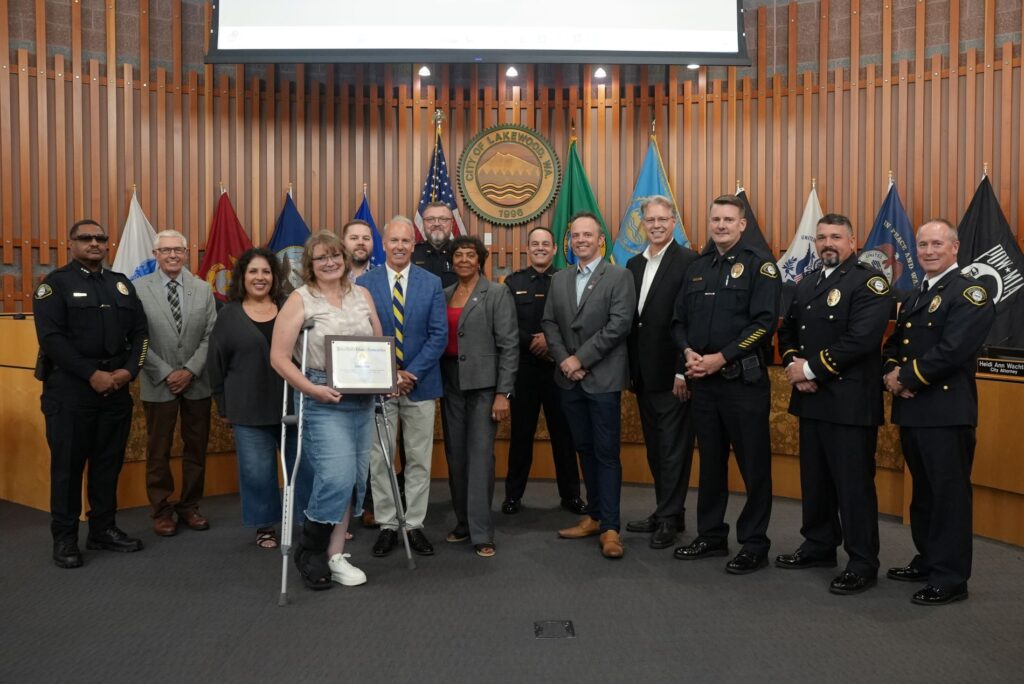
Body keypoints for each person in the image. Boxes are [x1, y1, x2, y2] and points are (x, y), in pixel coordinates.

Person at [774, 214, 892, 595]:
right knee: (816, 480)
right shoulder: (807, 283)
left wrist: (810, 370)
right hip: (812, 401)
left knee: (853, 487)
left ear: (852, 241)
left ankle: (862, 562)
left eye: (836, 237)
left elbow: (862, 339)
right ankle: (819, 544)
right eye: (822, 237)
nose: (828, 243)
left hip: (849, 404)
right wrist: (795, 363)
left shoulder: (869, 283)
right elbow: (789, 330)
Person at [882, 219, 995, 606]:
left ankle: (950, 577)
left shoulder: (970, 292)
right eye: (923, 244)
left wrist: (907, 378)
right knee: (925, 493)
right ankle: (928, 558)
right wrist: (890, 372)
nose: (928, 251)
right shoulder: (915, 294)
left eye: (936, 244)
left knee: (949, 495)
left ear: (954, 248)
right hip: (914, 410)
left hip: (946, 411)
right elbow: (895, 342)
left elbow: (954, 349)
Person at [671, 194, 781, 574]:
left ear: (742, 224)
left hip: (742, 383)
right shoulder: (698, 267)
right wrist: (688, 353)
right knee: (711, 463)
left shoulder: (760, 267)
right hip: (704, 382)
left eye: (728, 220)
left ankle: (754, 543)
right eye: (715, 219)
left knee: (754, 466)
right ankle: (712, 535)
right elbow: (678, 321)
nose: (720, 225)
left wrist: (722, 357)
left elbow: (765, 324)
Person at [270, 231, 383, 590]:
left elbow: (378, 345)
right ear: (310, 265)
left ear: (345, 259)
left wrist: (388, 379)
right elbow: (278, 357)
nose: (330, 262)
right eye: (321, 258)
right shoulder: (300, 300)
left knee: (352, 481)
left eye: (335, 255)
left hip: (363, 397)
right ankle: (311, 549)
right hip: (322, 396)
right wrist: (311, 390)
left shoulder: (362, 295)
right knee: (334, 476)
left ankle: (334, 555)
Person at [34, 219, 148, 568]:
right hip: (70, 391)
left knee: (107, 464)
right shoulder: (55, 285)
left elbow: (141, 334)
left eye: (101, 238)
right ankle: (65, 538)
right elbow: (51, 340)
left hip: (115, 388)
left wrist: (130, 370)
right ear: (71, 243)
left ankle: (103, 529)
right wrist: (90, 374)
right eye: (86, 238)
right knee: (67, 469)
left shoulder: (121, 285)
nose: (95, 243)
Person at [542, 212, 636, 559]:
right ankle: (595, 515)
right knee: (583, 449)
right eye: (575, 236)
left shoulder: (619, 276)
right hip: (569, 381)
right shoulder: (560, 279)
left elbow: (619, 325)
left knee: (606, 454)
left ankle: (611, 527)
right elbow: (549, 323)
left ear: (601, 240)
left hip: (602, 379)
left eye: (587, 235)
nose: (580, 240)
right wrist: (566, 362)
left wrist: (578, 359)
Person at [208, 247, 312, 549]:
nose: (260, 277)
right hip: (247, 407)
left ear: (275, 276)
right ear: (242, 276)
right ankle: (264, 526)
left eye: (266, 271)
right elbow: (216, 363)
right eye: (253, 271)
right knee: (257, 471)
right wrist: (222, 405)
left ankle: (308, 522)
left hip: (292, 403)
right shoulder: (229, 314)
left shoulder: (291, 306)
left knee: (302, 465)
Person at [357, 216, 447, 558]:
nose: (399, 246)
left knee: (419, 460)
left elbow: (439, 335)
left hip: (420, 386)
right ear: (384, 243)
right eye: (393, 241)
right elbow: (362, 332)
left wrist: (409, 373)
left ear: (414, 244)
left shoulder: (431, 282)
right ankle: (388, 524)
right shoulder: (365, 283)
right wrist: (388, 374)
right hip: (379, 386)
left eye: (405, 241)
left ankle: (414, 524)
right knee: (379, 459)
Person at [625, 196, 699, 550]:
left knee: (673, 449)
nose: (655, 225)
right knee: (656, 448)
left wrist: (682, 372)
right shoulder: (633, 264)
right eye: (649, 220)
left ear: (674, 222)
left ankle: (670, 517)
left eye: (662, 219)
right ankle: (666, 509)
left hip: (673, 374)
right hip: (643, 373)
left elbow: (690, 320)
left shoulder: (688, 262)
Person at [135, 230, 217, 537]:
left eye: (178, 250)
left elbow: (211, 334)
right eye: (165, 250)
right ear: (155, 254)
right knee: (159, 450)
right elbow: (136, 337)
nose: (172, 255)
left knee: (196, 448)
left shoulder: (202, 288)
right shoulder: (138, 288)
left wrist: (191, 370)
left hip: (197, 382)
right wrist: (167, 372)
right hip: (159, 381)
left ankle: (189, 506)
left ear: (186, 253)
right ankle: (161, 510)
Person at [441, 235, 518, 557]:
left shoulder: (497, 292)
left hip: (485, 388)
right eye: (457, 254)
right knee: (456, 456)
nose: (463, 260)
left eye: (469, 255)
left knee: (480, 458)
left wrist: (504, 393)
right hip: (450, 385)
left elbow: (509, 345)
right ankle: (463, 522)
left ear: (480, 259)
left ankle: (482, 532)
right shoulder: (443, 294)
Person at [502, 226, 585, 516]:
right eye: (535, 244)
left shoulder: (568, 279)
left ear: (554, 249)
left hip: (558, 367)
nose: (540, 248)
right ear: (528, 248)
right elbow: (507, 323)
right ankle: (513, 496)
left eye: (545, 244)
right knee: (521, 435)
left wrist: (551, 343)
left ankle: (571, 495)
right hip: (524, 369)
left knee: (564, 434)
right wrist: (534, 341)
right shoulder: (513, 282)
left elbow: (576, 318)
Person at [413, 201, 457, 288]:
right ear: (423, 223)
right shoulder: (411, 255)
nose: (436, 224)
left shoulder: (462, 254)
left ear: (452, 224)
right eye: (430, 219)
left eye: (443, 219)